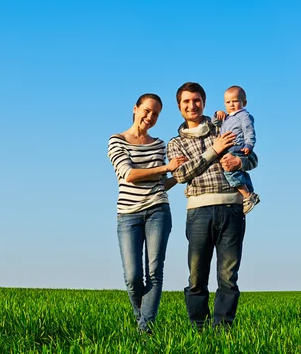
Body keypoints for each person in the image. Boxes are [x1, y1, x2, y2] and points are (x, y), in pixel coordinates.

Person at [167, 82, 258, 330]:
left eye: (196, 100)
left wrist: (239, 162)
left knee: (228, 276)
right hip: (198, 211)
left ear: (204, 102)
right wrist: (214, 150)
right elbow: (183, 174)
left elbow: (253, 158)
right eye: (186, 101)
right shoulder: (175, 143)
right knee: (197, 276)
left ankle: (223, 329)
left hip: (232, 207)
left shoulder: (224, 125)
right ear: (179, 106)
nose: (192, 105)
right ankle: (199, 327)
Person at [107, 93, 188, 334]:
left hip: (158, 210)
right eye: (147, 111)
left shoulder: (159, 144)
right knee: (133, 276)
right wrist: (166, 167)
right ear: (135, 108)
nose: (150, 117)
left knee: (154, 272)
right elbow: (128, 174)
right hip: (128, 215)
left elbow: (161, 183)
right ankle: (140, 318)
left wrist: (183, 174)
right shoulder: (117, 140)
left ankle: (145, 330)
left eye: (155, 114)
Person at [212, 85, 260, 214]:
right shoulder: (227, 117)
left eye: (235, 101)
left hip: (237, 148)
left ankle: (247, 196)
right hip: (227, 148)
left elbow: (249, 132)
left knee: (229, 171)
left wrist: (249, 145)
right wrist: (217, 114)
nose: (231, 104)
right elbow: (215, 123)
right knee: (241, 173)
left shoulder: (244, 116)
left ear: (244, 103)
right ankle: (251, 193)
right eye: (228, 102)